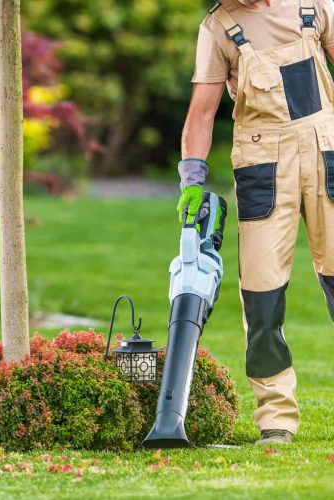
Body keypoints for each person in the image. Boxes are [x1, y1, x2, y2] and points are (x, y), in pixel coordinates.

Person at [178, 0, 334, 446]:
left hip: (328, 154)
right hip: (263, 167)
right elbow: (202, 112)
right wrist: (192, 178)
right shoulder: (220, 27)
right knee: (261, 298)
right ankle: (276, 419)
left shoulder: (315, 5)